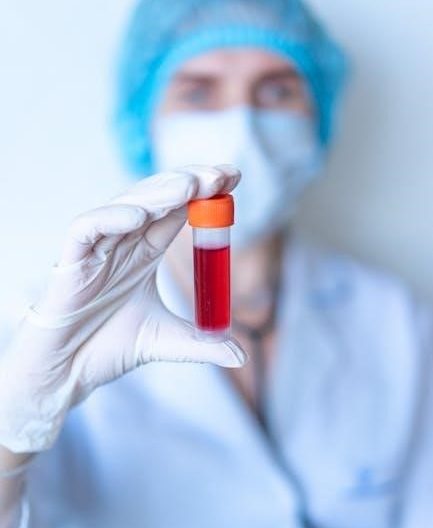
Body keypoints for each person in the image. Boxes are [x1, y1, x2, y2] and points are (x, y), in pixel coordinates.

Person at [1, 0, 433, 526]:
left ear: (319, 114)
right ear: (144, 120)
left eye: (277, 91)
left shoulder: (395, 322)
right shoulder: (48, 329)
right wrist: (12, 434)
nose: (242, 126)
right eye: (198, 92)